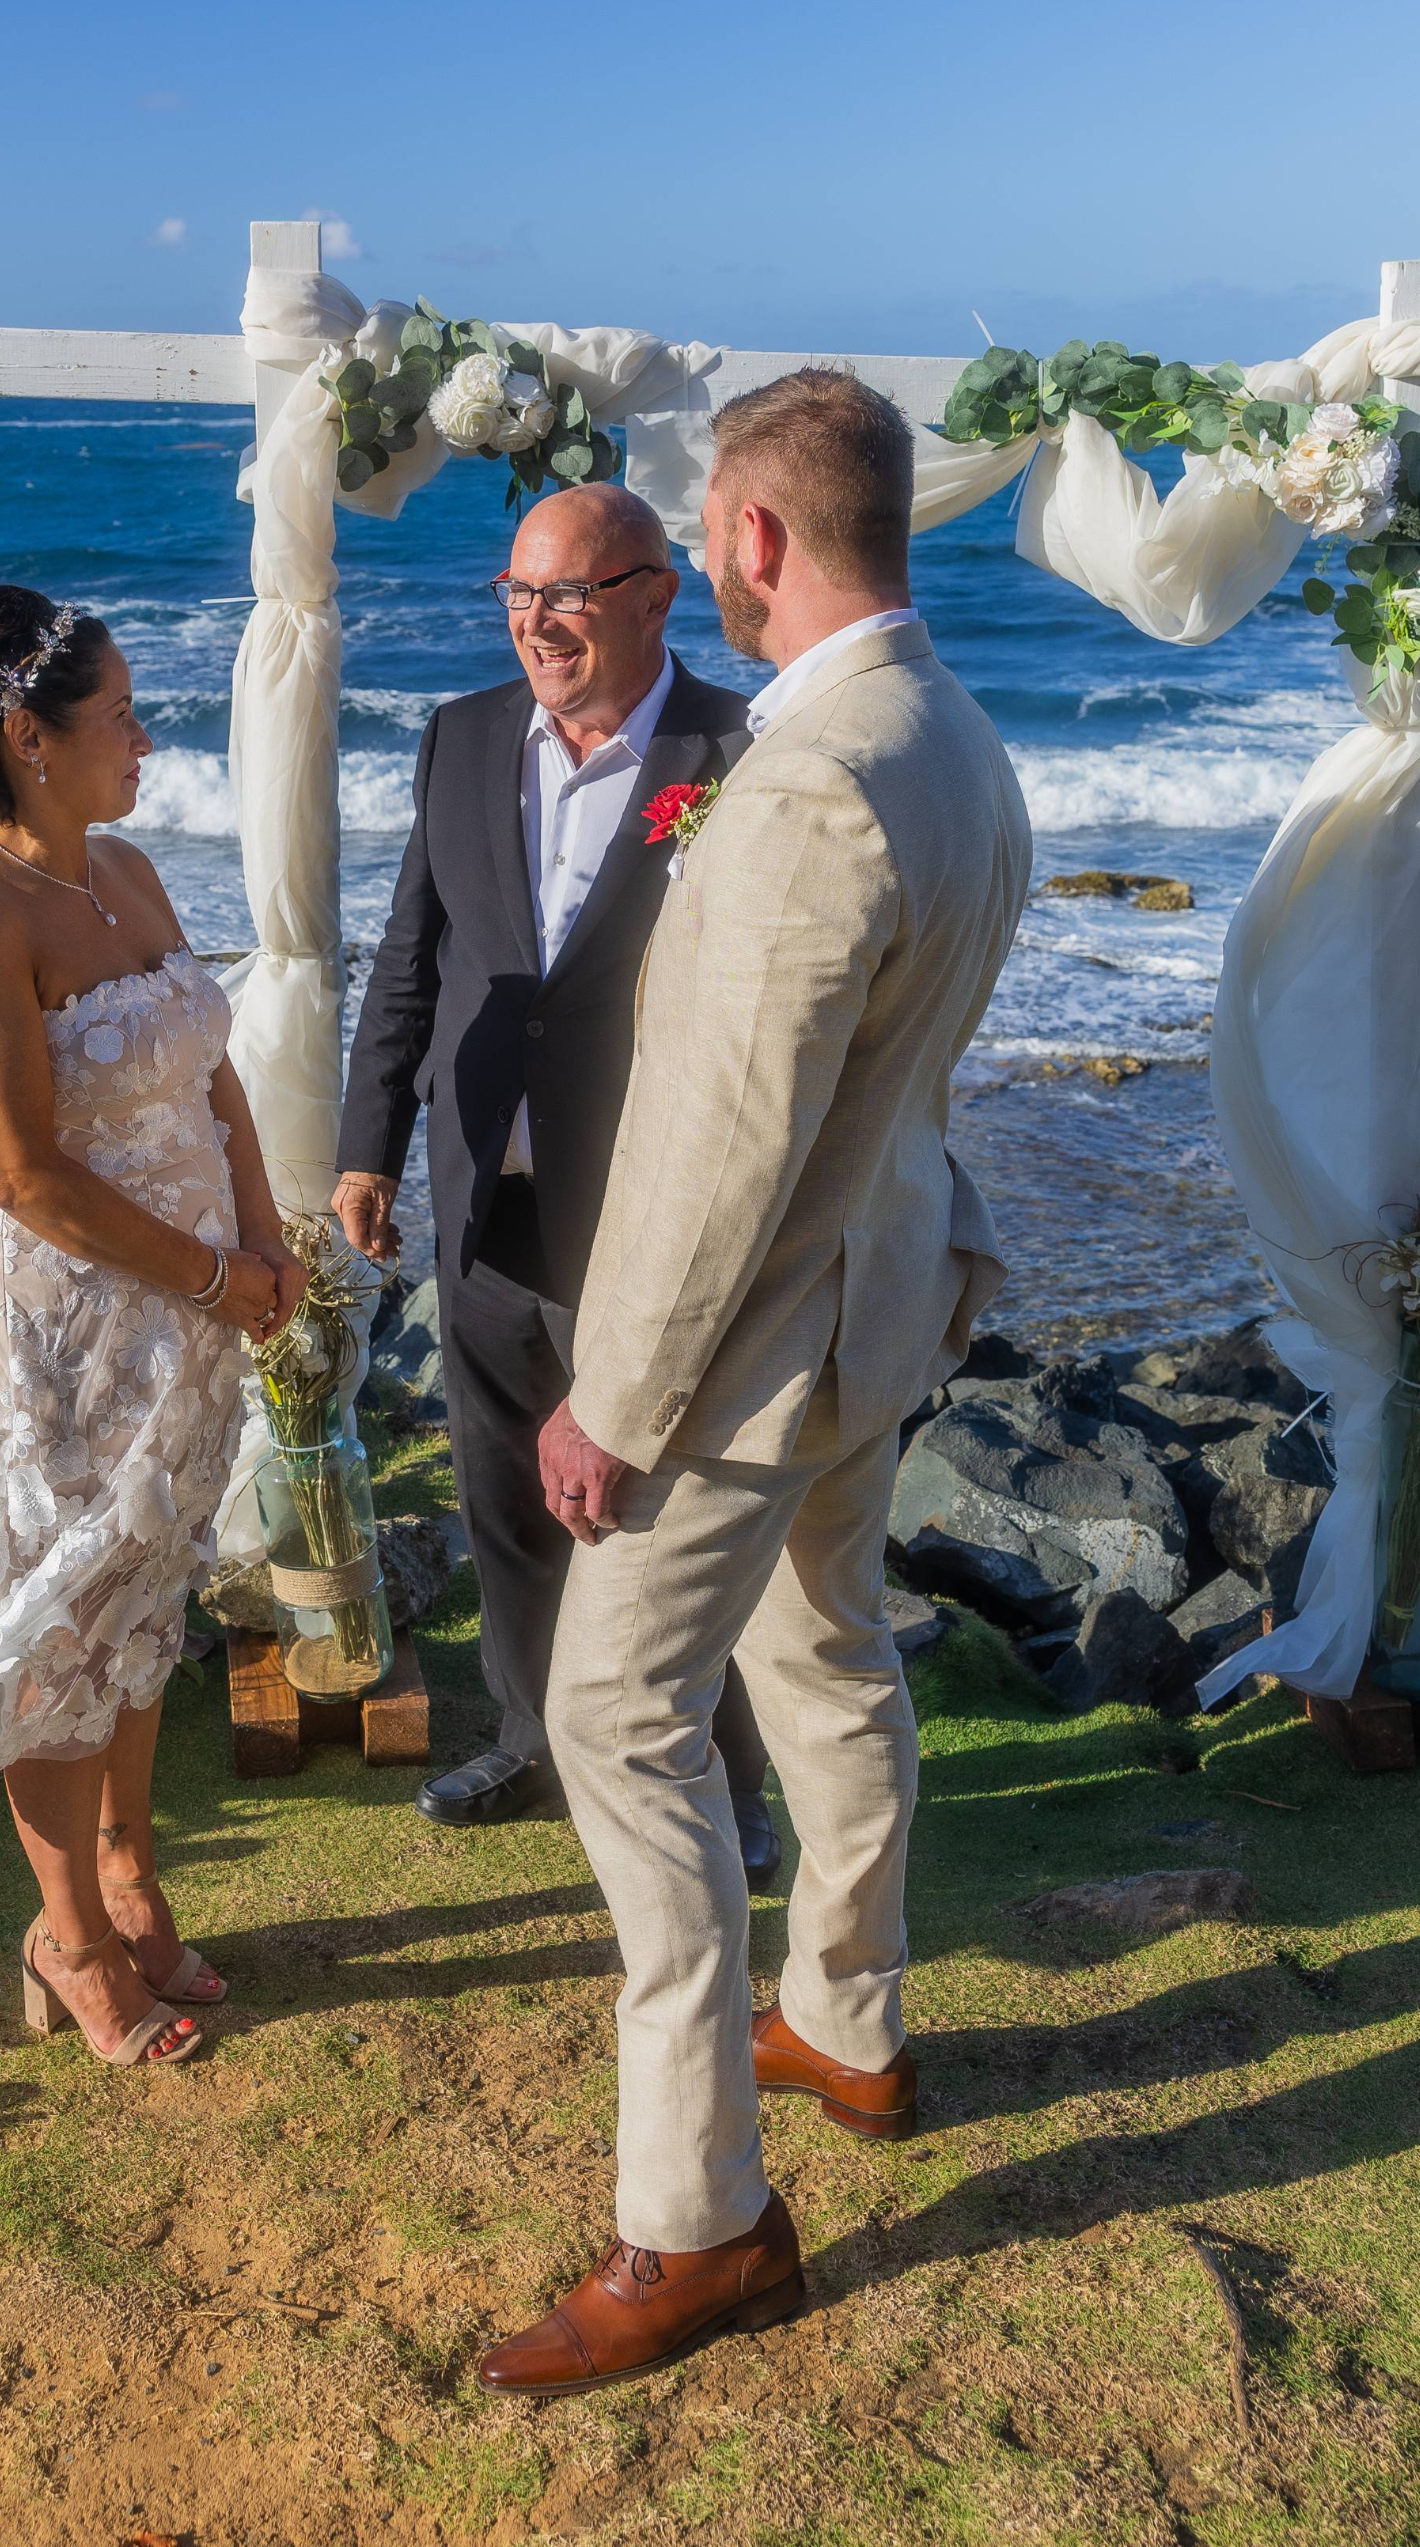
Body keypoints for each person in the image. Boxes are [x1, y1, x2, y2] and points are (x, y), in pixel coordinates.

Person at [476, 373, 1033, 2395]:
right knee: (826, 1654)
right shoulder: (954, 734)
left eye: (713, 529)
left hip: (753, 1352)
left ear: (758, 539)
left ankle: (700, 2220)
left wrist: (609, 1404)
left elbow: (722, 1149)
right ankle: (851, 2026)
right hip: (880, 1304)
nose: (713, 558)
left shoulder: (810, 782)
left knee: (618, 1721)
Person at [0, 585, 307, 2070]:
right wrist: (211, 1274)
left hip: (191, 1320)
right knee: (57, 1630)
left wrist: (263, 1234)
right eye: (120, 718)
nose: (146, 741)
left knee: (143, 1609)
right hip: (61, 1340)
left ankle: (131, 1876)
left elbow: (213, 1071)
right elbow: (19, 1174)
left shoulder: (129, 872)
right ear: (30, 739)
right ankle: (71, 1939)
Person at [331, 485, 780, 1882]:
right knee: (505, 1493)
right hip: (482, 1185)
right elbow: (412, 952)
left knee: (674, 1509)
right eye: (518, 595)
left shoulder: (741, 747)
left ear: (656, 595)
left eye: (569, 595)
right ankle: (531, 1739)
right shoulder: (462, 736)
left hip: (647, 1205)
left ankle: (730, 1777)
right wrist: (367, 1142)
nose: (537, 624)